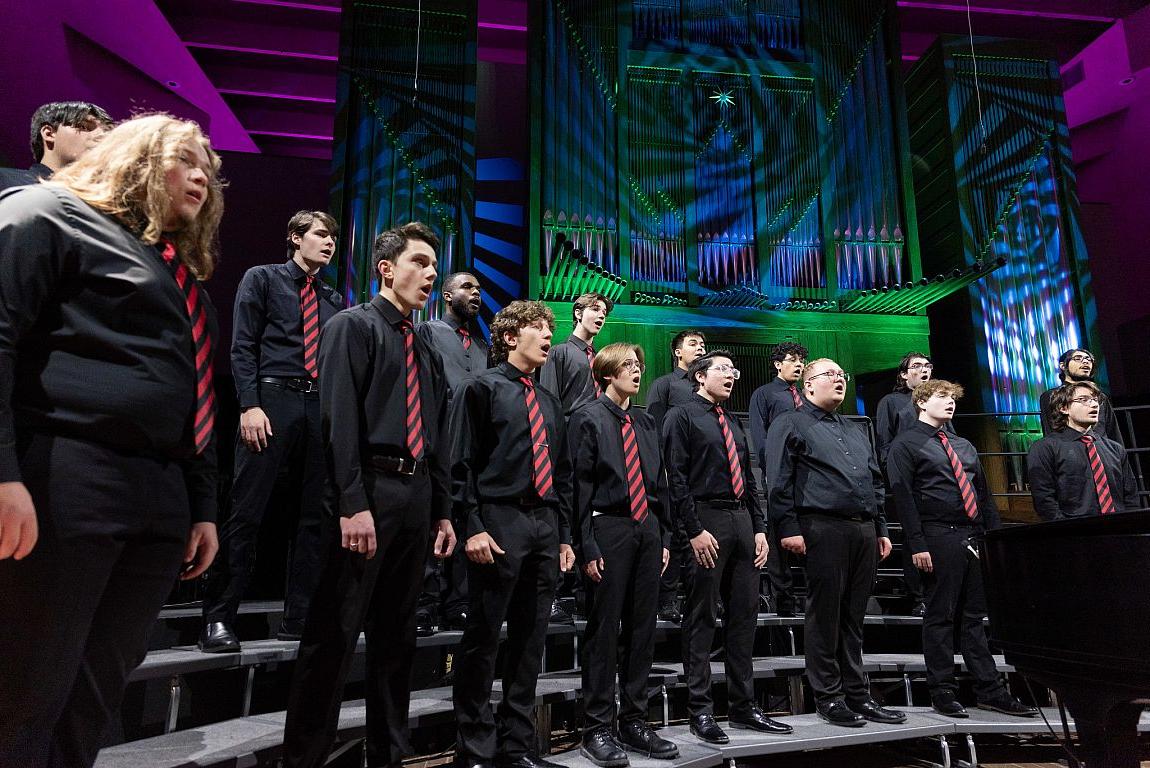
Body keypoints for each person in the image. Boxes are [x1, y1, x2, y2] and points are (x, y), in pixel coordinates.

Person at [0, 113, 222, 768]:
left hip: (157, 493)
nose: (202, 175)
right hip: (68, 471)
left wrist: (201, 505)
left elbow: (195, 398)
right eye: (185, 157)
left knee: (96, 693)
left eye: (209, 165)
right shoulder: (48, 212)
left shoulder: (177, 275)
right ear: (137, 157)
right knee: (28, 685)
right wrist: (2, 471)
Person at [280, 222, 457, 768]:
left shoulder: (424, 345)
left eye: (434, 266)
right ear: (386, 268)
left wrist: (443, 512)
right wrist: (353, 503)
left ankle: (389, 754)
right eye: (420, 263)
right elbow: (339, 423)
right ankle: (304, 758)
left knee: (397, 638)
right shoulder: (352, 327)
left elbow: (434, 430)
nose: (431, 274)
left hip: (416, 494)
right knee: (332, 638)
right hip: (368, 492)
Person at [200, 210, 344, 652]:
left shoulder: (333, 297)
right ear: (295, 237)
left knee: (314, 518)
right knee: (247, 511)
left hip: (318, 403)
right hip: (272, 396)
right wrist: (250, 405)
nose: (330, 243)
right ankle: (218, 618)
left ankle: (297, 617)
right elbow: (242, 345)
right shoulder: (262, 279)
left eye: (333, 237)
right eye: (321, 234)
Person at [451, 300, 576, 768]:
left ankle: (517, 745)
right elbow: (459, 465)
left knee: (530, 638)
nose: (548, 335)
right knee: (483, 636)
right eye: (538, 328)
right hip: (498, 519)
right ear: (509, 338)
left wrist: (563, 535)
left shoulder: (549, 401)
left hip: (543, 524)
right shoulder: (479, 389)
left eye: (550, 328)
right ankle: (475, 745)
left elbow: (561, 475)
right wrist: (473, 527)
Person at [887, 379, 1038, 718]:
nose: (950, 403)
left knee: (974, 618)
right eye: (942, 397)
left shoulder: (964, 445)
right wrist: (916, 543)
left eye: (953, 398)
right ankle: (942, 690)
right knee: (940, 616)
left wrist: (993, 540)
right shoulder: (906, 444)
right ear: (922, 402)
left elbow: (983, 498)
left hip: (973, 535)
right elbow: (903, 497)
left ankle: (990, 690)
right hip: (938, 534)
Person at [765, 358, 902, 728]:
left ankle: (858, 694)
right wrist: (788, 528)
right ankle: (829, 696)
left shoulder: (855, 429)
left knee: (854, 617)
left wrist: (881, 529)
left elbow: (873, 483)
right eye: (830, 375)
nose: (839, 380)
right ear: (808, 385)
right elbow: (778, 479)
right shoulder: (789, 422)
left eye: (843, 375)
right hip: (820, 526)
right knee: (825, 615)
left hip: (862, 530)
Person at [663, 351, 791, 745]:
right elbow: (676, 478)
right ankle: (700, 710)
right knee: (701, 619)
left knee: (744, 618)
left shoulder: (734, 422)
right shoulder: (681, 416)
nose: (731, 375)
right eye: (723, 369)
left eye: (733, 371)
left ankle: (743, 705)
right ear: (700, 376)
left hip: (741, 522)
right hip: (705, 519)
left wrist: (759, 529)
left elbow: (751, 478)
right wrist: (694, 529)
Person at [570, 343, 678, 767]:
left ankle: (634, 721)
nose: (637, 371)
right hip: (608, 526)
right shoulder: (587, 416)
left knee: (641, 630)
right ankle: (597, 726)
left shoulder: (645, 421)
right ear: (607, 373)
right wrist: (586, 544)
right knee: (603, 631)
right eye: (628, 366)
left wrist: (665, 537)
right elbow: (577, 486)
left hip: (647, 529)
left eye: (638, 365)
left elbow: (661, 483)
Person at [415, 271, 490, 634]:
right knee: (434, 517)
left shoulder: (481, 346)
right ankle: (425, 601)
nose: (475, 294)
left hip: (472, 444)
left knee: (464, 516)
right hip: (438, 438)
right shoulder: (429, 332)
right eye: (467, 287)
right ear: (446, 295)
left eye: (478, 289)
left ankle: (457, 601)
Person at [538, 291, 612, 623]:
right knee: (565, 509)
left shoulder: (603, 359)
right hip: (569, 436)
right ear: (577, 313)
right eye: (595, 310)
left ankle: (588, 588)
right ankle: (555, 592)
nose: (601, 315)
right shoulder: (560, 352)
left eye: (605, 312)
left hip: (599, 440)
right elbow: (550, 401)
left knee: (591, 510)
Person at [645, 329, 706, 624]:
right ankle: (666, 600)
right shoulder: (665, 384)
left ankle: (704, 599)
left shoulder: (707, 388)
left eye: (703, 344)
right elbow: (653, 428)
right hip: (672, 469)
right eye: (693, 344)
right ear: (677, 352)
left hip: (701, 472)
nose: (700, 348)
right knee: (676, 535)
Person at [747, 341, 807, 617]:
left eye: (802, 361)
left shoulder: (807, 395)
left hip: (807, 472)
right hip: (778, 470)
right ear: (777, 364)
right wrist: (768, 467)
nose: (799, 365)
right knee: (778, 530)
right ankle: (783, 596)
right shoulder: (765, 393)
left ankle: (810, 595)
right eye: (793, 360)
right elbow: (760, 434)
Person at [875, 352, 937, 617]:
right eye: (917, 366)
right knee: (914, 534)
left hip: (936, 476)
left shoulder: (937, 402)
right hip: (908, 476)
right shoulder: (891, 401)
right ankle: (918, 596)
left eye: (927, 366)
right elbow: (884, 443)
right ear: (903, 374)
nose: (924, 370)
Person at [1028, 381, 1141, 520]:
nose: (1094, 405)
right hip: (1075, 534)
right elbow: (1044, 499)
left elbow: (1131, 495)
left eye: (1095, 400)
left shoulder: (1115, 449)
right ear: (1064, 407)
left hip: (1118, 530)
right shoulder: (1045, 448)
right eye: (1083, 400)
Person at [0, 101, 112, 191]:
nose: (102, 136)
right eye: (83, 126)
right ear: (49, 134)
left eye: (107, 132)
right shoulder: (5, 180)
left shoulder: (109, 202)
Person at [1038, 348, 1122, 443]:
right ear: (1063, 365)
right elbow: (1051, 430)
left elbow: (1112, 430)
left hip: (1102, 452)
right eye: (1078, 358)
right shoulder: (1051, 396)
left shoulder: (1101, 396)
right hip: (1069, 452)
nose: (1085, 361)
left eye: (1088, 359)